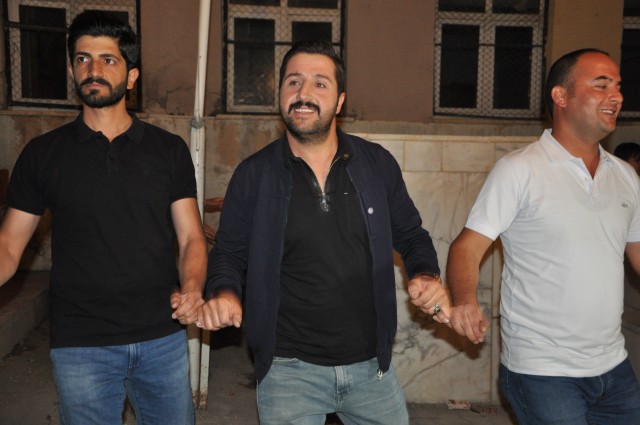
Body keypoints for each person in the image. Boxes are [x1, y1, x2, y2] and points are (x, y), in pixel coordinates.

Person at [197, 39, 450, 425]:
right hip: (287, 370)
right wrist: (225, 292)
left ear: (340, 100)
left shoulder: (375, 165)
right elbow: (229, 252)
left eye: (319, 83)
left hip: (371, 367)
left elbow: (412, 235)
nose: (303, 94)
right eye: (293, 82)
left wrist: (426, 274)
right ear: (280, 94)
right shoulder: (254, 175)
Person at [0, 11, 206, 425]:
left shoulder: (169, 151)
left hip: (161, 336)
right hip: (81, 343)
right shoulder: (42, 155)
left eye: (108, 60)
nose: (93, 69)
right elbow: (8, 244)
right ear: (72, 70)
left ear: (131, 77)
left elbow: (191, 238)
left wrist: (192, 289)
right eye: (83, 59)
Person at [446, 48, 640, 424]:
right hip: (543, 371)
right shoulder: (520, 169)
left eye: (618, 86)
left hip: (613, 367)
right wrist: (465, 300)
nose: (616, 96)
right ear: (560, 95)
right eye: (601, 85)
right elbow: (466, 247)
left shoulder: (625, 176)